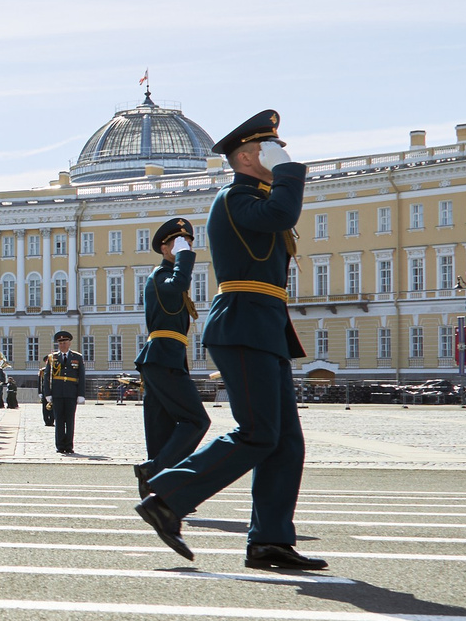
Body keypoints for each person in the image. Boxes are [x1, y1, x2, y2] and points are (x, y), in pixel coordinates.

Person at [133, 110, 324, 573]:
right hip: (242, 323)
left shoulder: (253, 196)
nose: (280, 155)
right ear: (244, 156)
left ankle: (270, 541)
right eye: (268, 148)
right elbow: (283, 211)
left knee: (285, 443)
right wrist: (287, 170)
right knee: (258, 432)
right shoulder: (235, 197)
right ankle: (168, 497)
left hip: (265, 325)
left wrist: (278, 170)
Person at [133, 218, 208, 497]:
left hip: (165, 358)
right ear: (164, 248)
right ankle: (153, 471)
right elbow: (177, 285)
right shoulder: (161, 276)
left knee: (161, 426)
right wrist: (185, 257)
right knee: (196, 420)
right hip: (162, 357)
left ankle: (158, 489)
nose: (185, 245)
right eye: (177, 242)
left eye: (188, 241)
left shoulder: (168, 275)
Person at [43, 330, 85, 454]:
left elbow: (81, 376)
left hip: (71, 393)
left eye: (65, 342)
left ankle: (69, 445)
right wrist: (48, 393)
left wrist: (81, 394)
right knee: (59, 420)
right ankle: (60, 445)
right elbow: (47, 377)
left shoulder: (77, 357)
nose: (63, 345)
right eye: (60, 343)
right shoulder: (52, 358)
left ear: (69, 343)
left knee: (70, 420)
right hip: (57, 393)